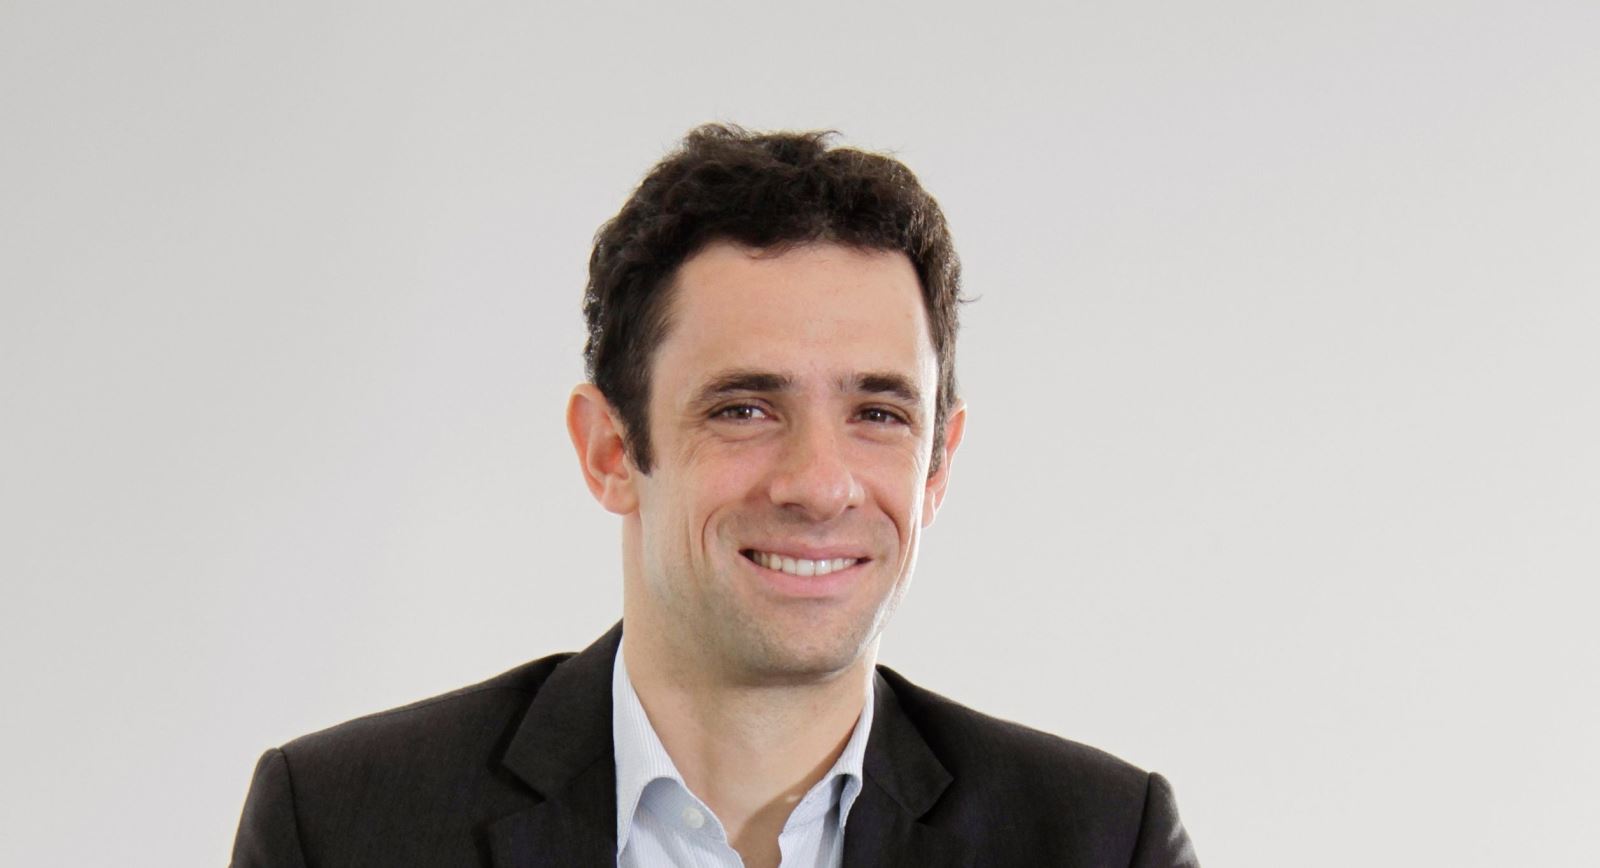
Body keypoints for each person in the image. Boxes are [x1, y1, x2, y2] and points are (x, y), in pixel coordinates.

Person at [230, 124, 1200, 868]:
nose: (818, 483)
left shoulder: (1101, 841)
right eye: (744, 409)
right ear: (611, 450)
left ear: (937, 466)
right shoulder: (342, 827)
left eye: (878, 413)